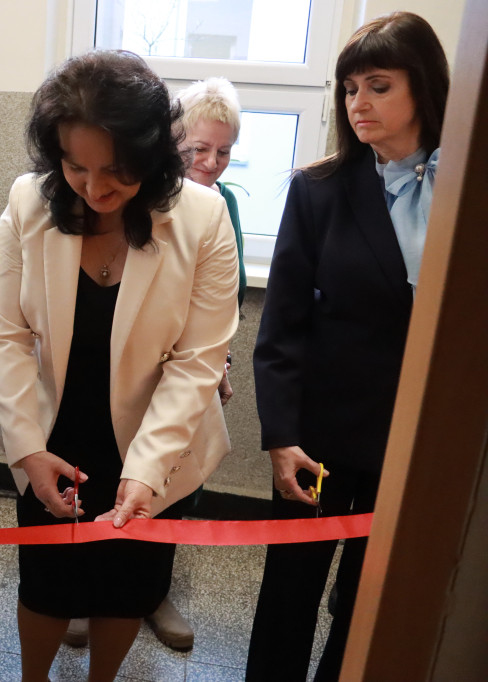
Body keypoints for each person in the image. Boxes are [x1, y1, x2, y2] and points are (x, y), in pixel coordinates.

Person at [0, 50, 239, 681]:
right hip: (55, 432)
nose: (95, 190)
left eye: (116, 173)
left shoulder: (202, 218)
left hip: (159, 438)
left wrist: (146, 471)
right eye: (76, 167)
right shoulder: (28, 202)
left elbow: (197, 362)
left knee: (129, 582)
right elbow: (6, 332)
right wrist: (25, 448)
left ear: (153, 158)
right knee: (46, 580)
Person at [246, 12, 449, 681]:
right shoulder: (318, 189)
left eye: (378, 86)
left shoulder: (465, 187)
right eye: (349, 88)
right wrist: (280, 437)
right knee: (289, 597)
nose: (358, 103)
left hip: (415, 443)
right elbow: (280, 331)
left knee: (368, 600)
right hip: (320, 437)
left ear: (424, 87)